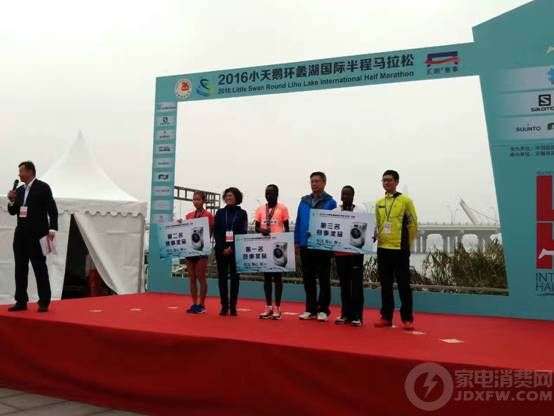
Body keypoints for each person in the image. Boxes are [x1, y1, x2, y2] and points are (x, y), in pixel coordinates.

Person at [6, 161, 58, 312]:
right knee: (20, 268)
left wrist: (52, 229)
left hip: (37, 234)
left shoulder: (43, 187)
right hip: (21, 235)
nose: (19, 174)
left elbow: (52, 209)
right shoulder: (20, 190)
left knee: (39, 267)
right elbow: (13, 211)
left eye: (21, 171)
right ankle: (21, 300)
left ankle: (44, 301)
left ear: (30, 172)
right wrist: (12, 200)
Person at [374, 170, 418, 330]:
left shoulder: (406, 201)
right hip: (383, 248)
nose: (386, 183)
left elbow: (413, 223)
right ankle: (386, 317)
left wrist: (408, 244)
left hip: (400, 249)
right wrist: (374, 235)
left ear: (396, 182)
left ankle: (407, 318)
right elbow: (378, 224)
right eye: (384, 180)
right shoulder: (379, 202)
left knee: (403, 285)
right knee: (385, 285)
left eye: (389, 180)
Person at [294, 171, 337, 322]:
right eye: (312, 181)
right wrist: (296, 242)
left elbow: (334, 224)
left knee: (324, 278)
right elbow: (298, 221)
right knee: (308, 278)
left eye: (317, 181)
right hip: (305, 244)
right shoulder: (303, 201)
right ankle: (310, 309)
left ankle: (323, 310)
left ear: (324, 183)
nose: (314, 184)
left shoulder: (330, 202)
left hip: (322, 246)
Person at [254, 184, 290, 320]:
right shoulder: (260, 209)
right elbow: (256, 227)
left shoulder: (283, 208)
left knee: (278, 278)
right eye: (267, 193)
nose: (269, 195)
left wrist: (287, 245)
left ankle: (277, 308)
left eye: (272, 193)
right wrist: (262, 230)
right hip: (265, 246)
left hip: (279, 247)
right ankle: (268, 307)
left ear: (277, 194)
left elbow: (287, 229)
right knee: (267, 278)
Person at [333, 186, 365, 327]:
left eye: (348, 194)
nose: (345, 196)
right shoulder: (335, 212)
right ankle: (345, 314)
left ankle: (357, 316)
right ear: (341, 196)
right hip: (340, 254)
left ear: (353, 196)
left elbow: (369, 229)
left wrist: (372, 236)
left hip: (356, 253)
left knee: (356, 285)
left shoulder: (361, 211)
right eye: (343, 194)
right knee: (344, 284)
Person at [213, 187, 248, 316]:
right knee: (222, 278)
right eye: (227, 196)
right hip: (221, 250)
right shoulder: (220, 212)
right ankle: (224, 306)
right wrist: (222, 247)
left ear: (237, 197)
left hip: (236, 249)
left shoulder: (242, 213)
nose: (228, 198)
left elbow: (243, 232)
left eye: (231, 195)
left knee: (235, 279)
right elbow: (216, 231)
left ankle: (233, 306)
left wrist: (231, 247)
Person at [184, 191, 214, 314]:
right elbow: (185, 231)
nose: (196, 201)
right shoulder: (188, 216)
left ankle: (202, 304)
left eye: (198, 199)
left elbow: (210, 232)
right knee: (192, 277)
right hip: (190, 250)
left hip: (202, 250)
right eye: (194, 199)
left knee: (201, 276)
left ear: (203, 201)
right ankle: (194, 303)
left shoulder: (208, 215)